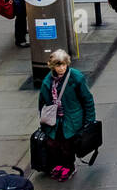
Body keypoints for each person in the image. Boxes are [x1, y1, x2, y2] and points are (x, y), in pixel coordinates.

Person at [34, 49, 96, 180]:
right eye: (58, 65)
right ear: (52, 66)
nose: (61, 68)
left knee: (68, 144)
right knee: (53, 143)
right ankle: (59, 165)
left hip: (72, 119)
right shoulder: (47, 81)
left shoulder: (76, 77)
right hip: (54, 120)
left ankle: (69, 167)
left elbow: (87, 99)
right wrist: (43, 119)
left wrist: (89, 121)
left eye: (63, 64)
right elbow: (42, 102)